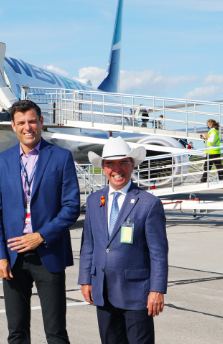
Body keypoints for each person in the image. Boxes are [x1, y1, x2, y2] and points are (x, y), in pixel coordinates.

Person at [0, 100, 80, 344]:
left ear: (40, 122)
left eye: (31, 121)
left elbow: (71, 207)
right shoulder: (0, 161)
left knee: (56, 331)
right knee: (16, 332)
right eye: (21, 123)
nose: (27, 127)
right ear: (13, 126)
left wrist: (41, 235)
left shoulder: (61, 158)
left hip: (48, 252)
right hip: (14, 256)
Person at [79, 136, 168, 344]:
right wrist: (86, 279)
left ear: (132, 165)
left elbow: (158, 253)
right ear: (103, 167)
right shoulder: (94, 201)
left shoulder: (149, 203)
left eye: (123, 163)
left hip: (137, 294)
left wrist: (157, 290)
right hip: (103, 290)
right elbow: (88, 245)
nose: (116, 169)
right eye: (110, 164)